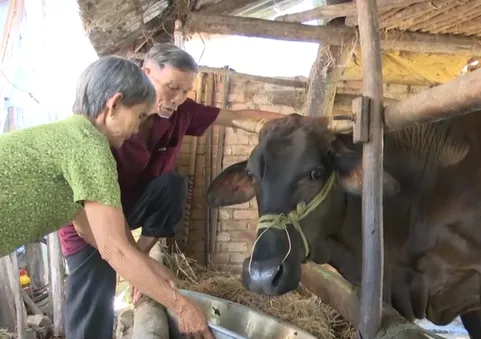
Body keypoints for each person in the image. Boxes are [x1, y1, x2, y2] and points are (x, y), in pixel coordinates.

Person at [58, 43, 287, 339]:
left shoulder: (177, 114)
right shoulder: (95, 136)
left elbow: (236, 116)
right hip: (91, 216)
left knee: (172, 184)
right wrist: (173, 300)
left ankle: (138, 256)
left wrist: (294, 124)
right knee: (94, 299)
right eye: (172, 88)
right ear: (145, 75)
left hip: (129, 206)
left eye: (185, 92)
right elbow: (102, 236)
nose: (177, 99)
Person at [0, 56, 214, 338]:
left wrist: (150, 268)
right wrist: (182, 307)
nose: (138, 128)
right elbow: (114, 249)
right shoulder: (90, 146)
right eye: (138, 116)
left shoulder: (70, 135)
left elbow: (89, 230)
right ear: (113, 105)